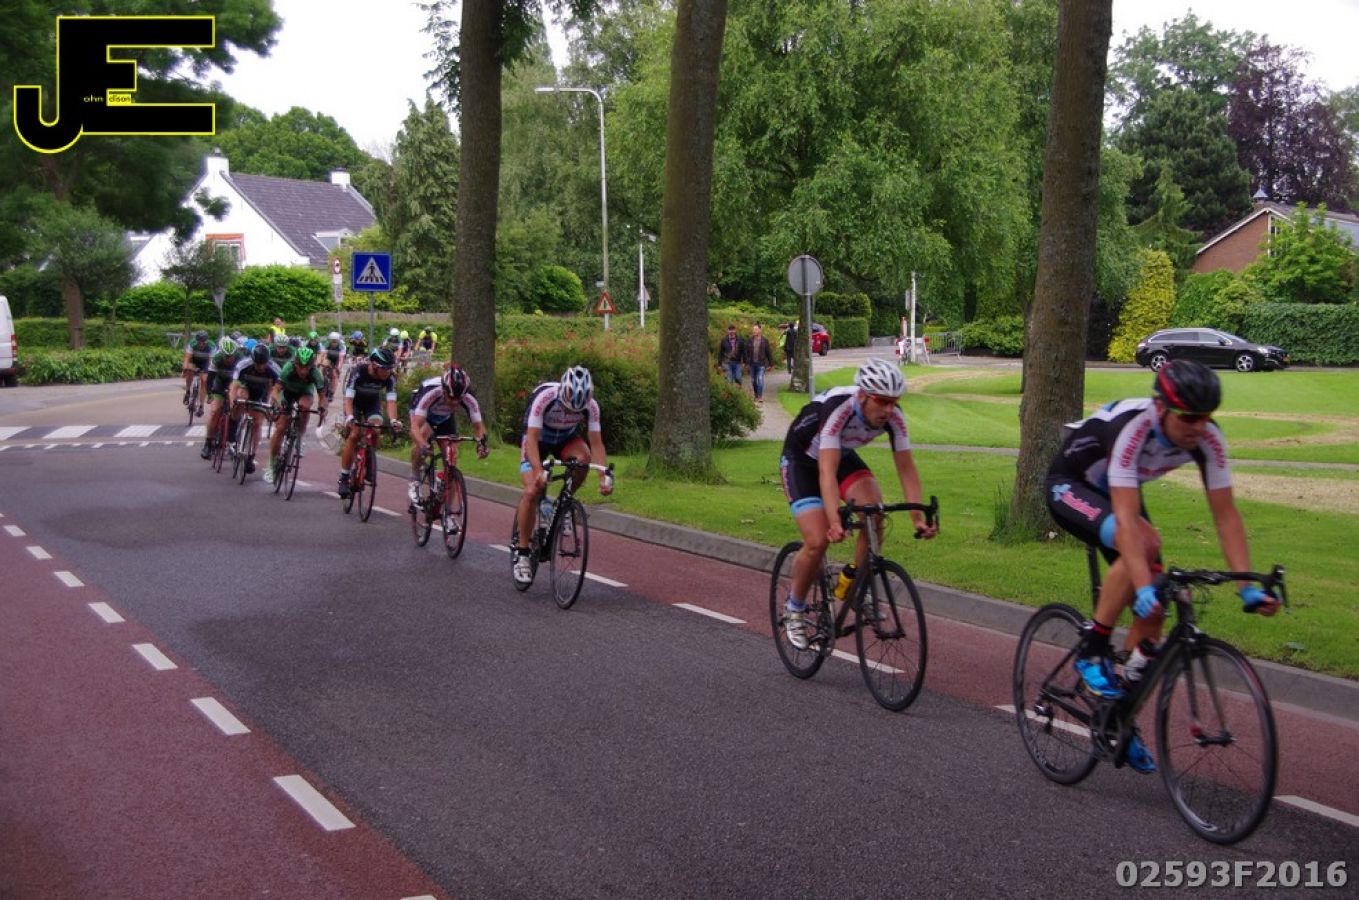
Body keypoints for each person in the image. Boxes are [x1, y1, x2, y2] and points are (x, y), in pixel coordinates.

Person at [1047, 360, 1280, 774]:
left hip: (1119, 494)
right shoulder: (1131, 429)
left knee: (1157, 608)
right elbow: (1126, 518)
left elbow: (1226, 516)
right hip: (1071, 485)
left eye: (1206, 416)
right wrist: (1142, 587)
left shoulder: (1208, 438)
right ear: (1161, 408)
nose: (1198, 427)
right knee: (1145, 548)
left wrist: (1247, 586)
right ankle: (1092, 649)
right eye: (1188, 417)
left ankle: (1119, 719)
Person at [779, 358, 937, 650]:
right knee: (817, 541)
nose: (889, 410)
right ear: (863, 395)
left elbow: (906, 469)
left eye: (894, 402)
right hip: (802, 460)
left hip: (841, 456)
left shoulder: (894, 418)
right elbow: (826, 472)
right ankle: (795, 608)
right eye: (882, 401)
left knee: (874, 513)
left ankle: (854, 584)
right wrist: (834, 521)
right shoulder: (839, 408)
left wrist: (917, 518)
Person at [512, 366, 613, 585]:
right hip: (537, 441)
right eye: (567, 409)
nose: (569, 413)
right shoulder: (544, 397)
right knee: (531, 491)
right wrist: (538, 471)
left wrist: (603, 476)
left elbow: (596, 443)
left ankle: (563, 503)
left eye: (575, 412)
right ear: (562, 395)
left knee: (583, 460)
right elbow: (531, 439)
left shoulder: (591, 406)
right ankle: (522, 553)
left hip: (565, 439)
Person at [407, 365, 489, 506]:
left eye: (458, 399)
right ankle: (415, 479)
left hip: (445, 417)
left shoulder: (468, 396)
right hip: (424, 415)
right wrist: (423, 444)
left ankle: (448, 512)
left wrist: (482, 445)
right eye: (451, 398)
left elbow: (479, 427)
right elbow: (414, 427)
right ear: (444, 390)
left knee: (451, 458)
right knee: (422, 439)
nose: (454, 402)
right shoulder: (431, 391)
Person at [337, 347, 403, 498]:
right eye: (384, 368)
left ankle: (369, 460)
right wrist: (349, 417)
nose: (387, 372)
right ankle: (344, 478)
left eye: (390, 368)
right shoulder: (358, 371)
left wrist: (394, 420)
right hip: (354, 403)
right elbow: (348, 399)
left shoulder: (390, 377)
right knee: (354, 435)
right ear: (373, 365)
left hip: (371, 403)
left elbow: (391, 402)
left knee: (376, 429)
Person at [265, 346, 327, 484]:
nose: (303, 371)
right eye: (300, 367)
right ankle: (271, 464)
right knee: (281, 428)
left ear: (312, 366)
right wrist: (279, 402)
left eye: (307, 367)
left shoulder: (316, 373)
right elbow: (275, 390)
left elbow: (322, 397)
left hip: (305, 392)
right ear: (295, 363)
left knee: (305, 407)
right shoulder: (288, 368)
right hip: (287, 392)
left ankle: (299, 436)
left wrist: (323, 407)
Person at [228, 343, 282, 475]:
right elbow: (234, 386)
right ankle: (232, 433)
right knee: (241, 398)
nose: (261, 367)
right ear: (252, 360)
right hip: (245, 388)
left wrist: (274, 406)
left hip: (261, 393)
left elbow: (277, 391)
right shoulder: (243, 365)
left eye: (263, 364)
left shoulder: (274, 369)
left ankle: (251, 456)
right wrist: (233, 403)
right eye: (258, 364)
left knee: (257, 423)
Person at [199, 337, 246, 459]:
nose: (229, 359)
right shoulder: (217, 358)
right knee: (214, 411)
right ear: (222, 354)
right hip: (219, 384)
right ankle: (208, 443)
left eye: (231, 356)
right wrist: (210, 394)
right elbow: (210, 379)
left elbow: (244, 380)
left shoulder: (240, 359)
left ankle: (232, 440)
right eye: (226, 356)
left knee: (235, 409)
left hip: (234, 384)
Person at [181, 330, 215, 416]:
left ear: (206, 341)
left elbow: (211, 362)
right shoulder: (192, 343)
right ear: (196, 341)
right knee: (189, 370)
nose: (201, 344)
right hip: (194, 361)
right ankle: (188, 392)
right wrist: (185, 369)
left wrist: (209, 373)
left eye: (203, 342)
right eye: (199, 342)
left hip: (205, 363)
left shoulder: (211, 345)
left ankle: (201, 406)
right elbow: (187, 358)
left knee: (204, 381)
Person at [746, 323, 775, 404]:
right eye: (753, 329)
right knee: (753, 380)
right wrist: (746, 362)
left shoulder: (765, 340)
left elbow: (768, 352)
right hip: (752, 363)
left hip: (761, 363)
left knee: (760, 379)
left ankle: (760, 396)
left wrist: (771, 364)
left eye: (756, 329)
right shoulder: (750, 340)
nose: (754, 331)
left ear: (760, 330)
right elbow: (746, 352)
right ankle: (756, 395)